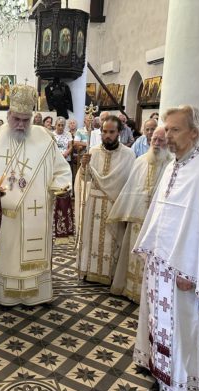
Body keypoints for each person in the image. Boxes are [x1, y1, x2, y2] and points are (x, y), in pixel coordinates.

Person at [133, 105, 199, 391]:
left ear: (194, 133)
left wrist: (193, 271)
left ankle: (181, 377)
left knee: (184, 324)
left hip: (186, 269)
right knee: (160, 321)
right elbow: (161, 214)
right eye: (167, 128)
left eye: (175, 129)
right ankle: (159, 367)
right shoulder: (171, 166)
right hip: (161, 264)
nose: (167, 135)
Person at [0, 84, 72, 306]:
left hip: (37, 213)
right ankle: (4, 294)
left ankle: (35, 295)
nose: (21, 125)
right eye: (16, 119)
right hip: (3, 214)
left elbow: (62, 170)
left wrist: (61, 188)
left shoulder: (44, 138)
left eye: (26, 120)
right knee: (5, 255)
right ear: (8, 115)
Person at [107, 126, 172, 302]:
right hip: (137, 218)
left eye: (161, 140)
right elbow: (130, 188)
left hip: (157, 222)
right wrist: (126, 210)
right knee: (132, 255)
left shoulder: (171, 165)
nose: (156, 143)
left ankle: (147, 294)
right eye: (154, 139)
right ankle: (129, 289)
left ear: (168, 142)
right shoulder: (140, 161)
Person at [75, 115, 135, 285]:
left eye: (111, 132)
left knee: (112, 241)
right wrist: (83, 166)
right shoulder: (92, 152)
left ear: (119, 132)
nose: (107, 135)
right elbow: (85, 179)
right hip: (93, 203)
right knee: (91, 239)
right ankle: (89, 271)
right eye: (104, 131)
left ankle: (111, 275)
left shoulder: (128, 155)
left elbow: (130, 184)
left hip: (115, 204)